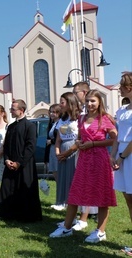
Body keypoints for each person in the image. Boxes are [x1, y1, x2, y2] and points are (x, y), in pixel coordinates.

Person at [50, 90, 117, 243]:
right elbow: (80, 138)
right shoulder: (81, 119)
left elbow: (114, 139)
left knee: (102, 195)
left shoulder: (104, 118)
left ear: (99, 102)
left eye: (93, 101)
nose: (89, 104)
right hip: (84, 159)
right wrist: (79, 143)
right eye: (87, 101)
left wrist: (94, 143)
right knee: (75, 191)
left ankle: (100, 231)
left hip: (100, 159)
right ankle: (66, 228)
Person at [0, 99, 42, 222]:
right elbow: (6, 146)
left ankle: (24, 216)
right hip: (10, 163)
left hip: (24, 165)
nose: (10, 111)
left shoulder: (30, 126)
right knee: (7, 187)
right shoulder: (11, 126)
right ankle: (6, 213)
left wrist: (19, 162)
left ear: (21, 111)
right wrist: (7, 160)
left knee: (24, 190)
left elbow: (31, 146)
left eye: (13, 109)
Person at [69, 81, 97, 230]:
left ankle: (84, 218)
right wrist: (79, 141)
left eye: (76, 92)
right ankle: (81, 215)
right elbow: (81, 134)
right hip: (83, 151)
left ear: (84, 93)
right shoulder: (81, 113)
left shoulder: (95, 112)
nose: (74, 95)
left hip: (94, 153)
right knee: (81, 184)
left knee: (89, 184)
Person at [111, 73, 132, 254]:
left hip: (129, 155)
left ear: (129, 88)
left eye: (122, 86)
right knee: (128, 197)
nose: (119, 89)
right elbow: (117, 135)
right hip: (121, 154)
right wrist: (113, 155)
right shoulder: (122, 110)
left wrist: (122, 157)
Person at [52, 92, 81, 211]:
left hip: (74, 152)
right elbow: (58, 139)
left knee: (74, 179)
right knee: (64, 180)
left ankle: (79, 210)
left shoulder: (79, 117)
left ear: (70, 102)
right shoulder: (62, 120)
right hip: (62, 152)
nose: (60, 104)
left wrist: (66, 153)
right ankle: (67, 207)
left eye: (62, 102)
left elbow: (80, 139)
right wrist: (58, 153)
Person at [46, 104, 61, 185]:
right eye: (50, 112)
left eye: (54, 112)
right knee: (55, 173)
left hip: (58, 149)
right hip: (51, 151)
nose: (51, 114)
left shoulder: (60, 123)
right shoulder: (51, 123)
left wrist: (51, 141)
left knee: (59, 173)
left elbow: (61, 137)